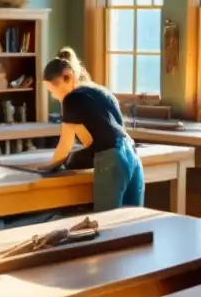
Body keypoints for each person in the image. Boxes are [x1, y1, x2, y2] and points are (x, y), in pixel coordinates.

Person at [42, 47, 144, 210]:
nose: (53, 95)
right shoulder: (100, 90)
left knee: (107, 223)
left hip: (112, 160)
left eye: (52, 90)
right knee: (133, 223)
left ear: (67, 78)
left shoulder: (71, 100)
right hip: (132, 154)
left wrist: (47, 168)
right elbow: (104, 136)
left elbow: (65, 145)